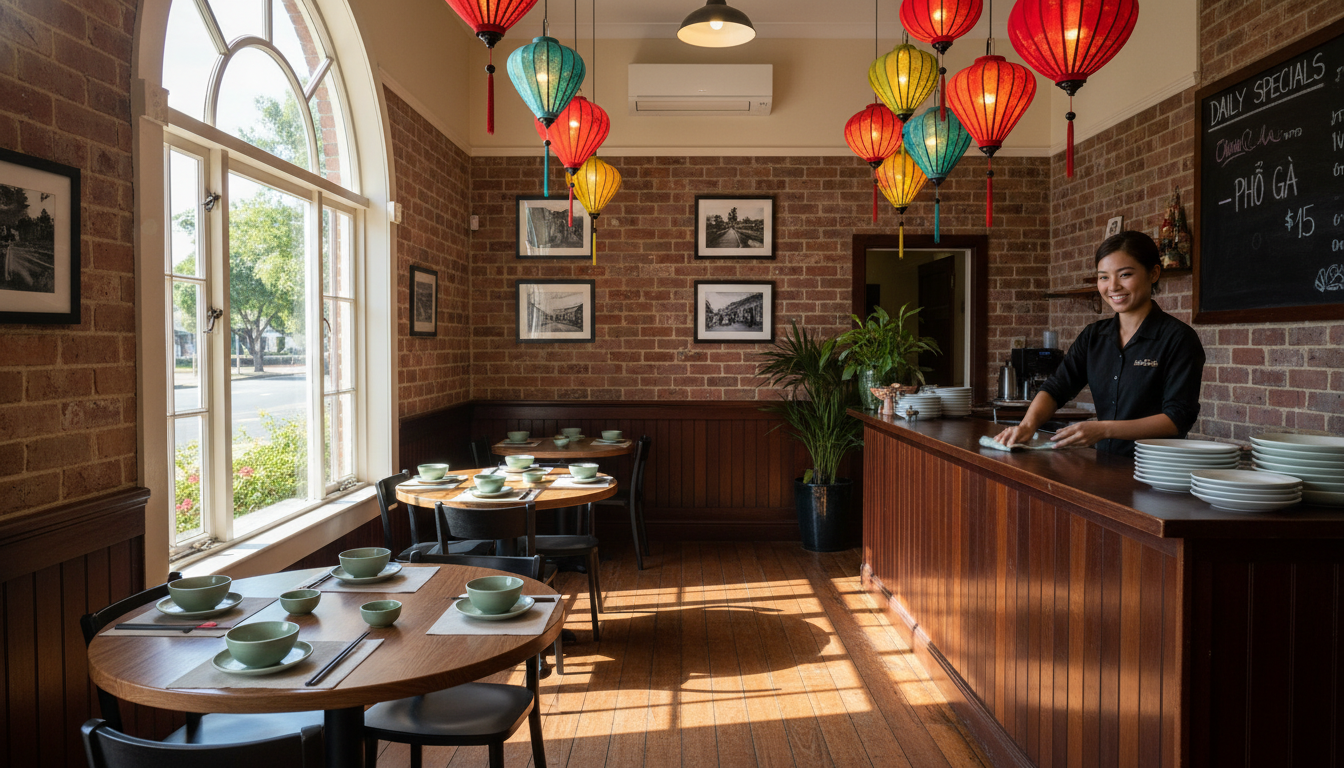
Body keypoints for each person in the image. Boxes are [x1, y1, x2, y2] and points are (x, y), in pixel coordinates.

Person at [994, 231, 1205, 456]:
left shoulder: (1178, 338)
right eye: (1103, 277)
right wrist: (1026, 426)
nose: (1112, 286)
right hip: (1104, 465)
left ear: (1153, 273)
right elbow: (1057, 388)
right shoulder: (1093, 336)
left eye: (1124, 275)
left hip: (1157, 468)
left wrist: (1103, 429)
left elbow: (1177, 418)